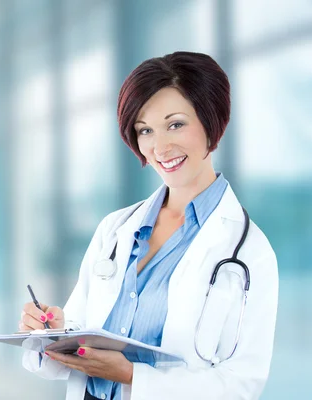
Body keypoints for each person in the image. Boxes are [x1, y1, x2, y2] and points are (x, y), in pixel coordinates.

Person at [18, 51, 278, 400]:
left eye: (176, 124)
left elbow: (242, 385)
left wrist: (132, 376)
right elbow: (80, 333)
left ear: (211, 121)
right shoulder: (116, 228)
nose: (160, 147)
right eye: (145, 130)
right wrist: (53, 330)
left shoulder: (249, 252)